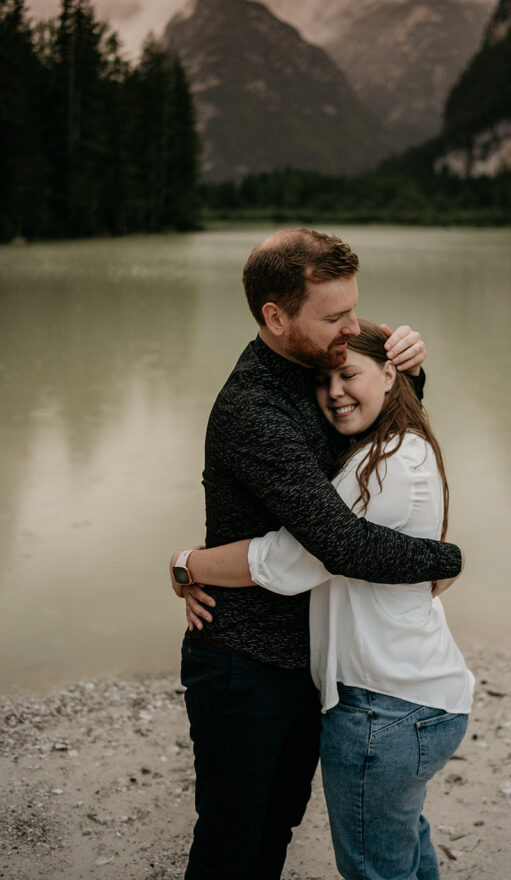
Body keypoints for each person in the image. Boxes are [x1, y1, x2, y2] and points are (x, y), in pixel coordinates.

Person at [171, 228, 464, 880]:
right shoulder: (255, 408)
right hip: (243, 665)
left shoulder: (316, 366)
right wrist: (442, 557)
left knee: (276, 829)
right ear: (275, 317)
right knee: (231, 846)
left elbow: (371, 449)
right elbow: (335, 543)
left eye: (353, 309)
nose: (352, 326)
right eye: (335, 317)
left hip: (309, 664)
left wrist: (406, 371)